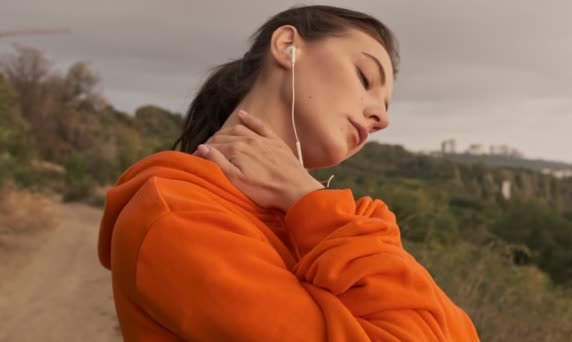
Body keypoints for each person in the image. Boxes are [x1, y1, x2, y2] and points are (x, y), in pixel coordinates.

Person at [98, 5, 480, 341]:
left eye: (385, 105)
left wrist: (307, 201)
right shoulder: (176, 217)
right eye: (365, 78)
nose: (382, 118)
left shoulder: (352, 222)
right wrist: (311, 204)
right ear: (286, 47)